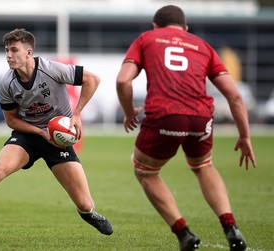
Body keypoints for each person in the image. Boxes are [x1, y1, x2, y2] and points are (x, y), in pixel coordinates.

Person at [0, 28, 113, 236]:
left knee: (85, 203)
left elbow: (92, 80)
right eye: (6, 50)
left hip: (58, 140)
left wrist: (76, 115)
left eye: (14, 50)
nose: (8, 55)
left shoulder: (52, 69)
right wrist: (40, 133)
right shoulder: (6, 83)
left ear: (29, 52)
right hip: (28, 136)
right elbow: (11, 120)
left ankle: (87, 214)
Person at [116, 5, 256, 251]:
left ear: (155, 26)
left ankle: (183, 233)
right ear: (185, 28)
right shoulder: (202, 45)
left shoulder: (146, 38)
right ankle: (230, 226)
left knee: (145, 172)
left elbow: (123, 80)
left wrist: (129, 113)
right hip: (201, 117)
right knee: (203, 166)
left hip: (164, 115)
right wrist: (245, 136)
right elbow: (234, 96)